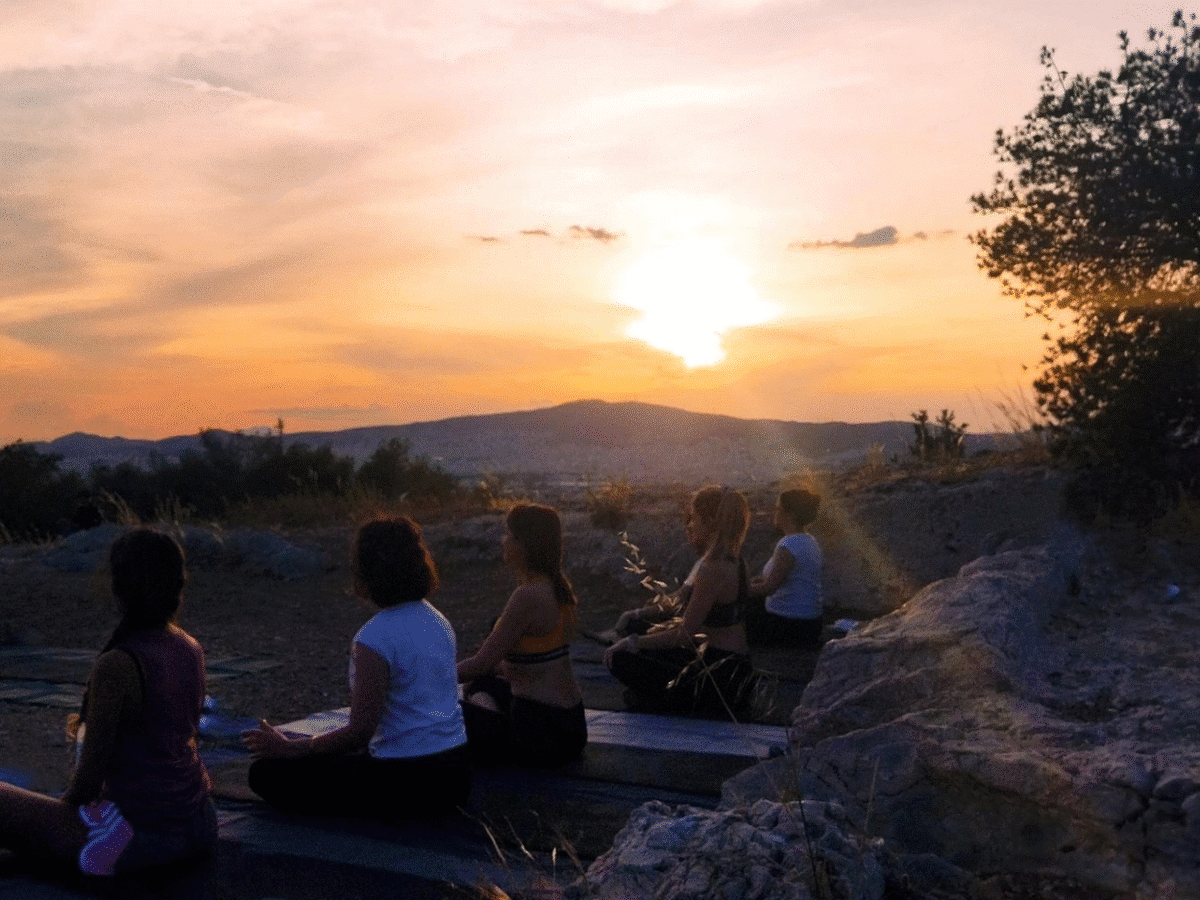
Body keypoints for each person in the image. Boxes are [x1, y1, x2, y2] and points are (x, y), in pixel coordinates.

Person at [0, 528, 217, 877]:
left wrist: (55, 821)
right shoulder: (191, 648)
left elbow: (86, 785)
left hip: (141, 837)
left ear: (119, 589)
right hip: (201, 822)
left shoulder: (119, 664)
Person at [242, 517, 470, 819]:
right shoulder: (439, 621)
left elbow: (359, 733)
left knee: (265, 774)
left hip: (407, 782)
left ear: (366, 573)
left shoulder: (375, 638)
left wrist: (290, 750)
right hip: (456, 775)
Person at [604, 485, 759, 719]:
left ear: (709, 523)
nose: (690, 525)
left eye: (694, 519)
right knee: (639, 645)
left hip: (720, 677)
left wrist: (632, 642)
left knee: (621, 658)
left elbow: (684, 636)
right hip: (737, 672)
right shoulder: (737, 562)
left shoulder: (711, 568)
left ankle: (667, 700)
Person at [457, 504, 587, 767]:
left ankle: (493, 728)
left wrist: (425, 681)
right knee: (481, 686)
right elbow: (537, 664)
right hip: (570, 725)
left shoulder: (528, 596)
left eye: (510, 535)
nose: (504, 541)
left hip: (542, 732)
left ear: (527, 544)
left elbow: (480, 663)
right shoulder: (557, 588)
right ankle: (491, 720)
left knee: (441, 712)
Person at [746, 489, 824, 649]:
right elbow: (772, 578)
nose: (775, 513)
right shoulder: (809, 540)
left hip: (790, 625)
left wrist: (740, 589)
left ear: (791, 515)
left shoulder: (788, 546)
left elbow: (769, 588)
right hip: (810, 622)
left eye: (778, 509)